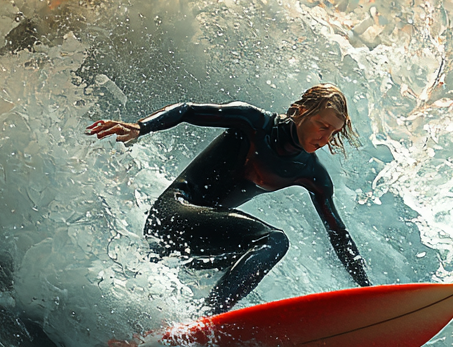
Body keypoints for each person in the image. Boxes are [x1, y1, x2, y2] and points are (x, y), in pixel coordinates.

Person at [86, 84, 371, 315]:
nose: (326, 137)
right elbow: (187, 110)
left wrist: (367, 291)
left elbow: (338, 233)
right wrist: (141, 128)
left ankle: (178, 326)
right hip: (171, 215)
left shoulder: (310, 171)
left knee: (249, 268)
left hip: (193, 244)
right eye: (322, 126)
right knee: (275, 241)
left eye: (333, 132)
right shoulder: (254, 121)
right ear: (300, 111)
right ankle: (205, 319)